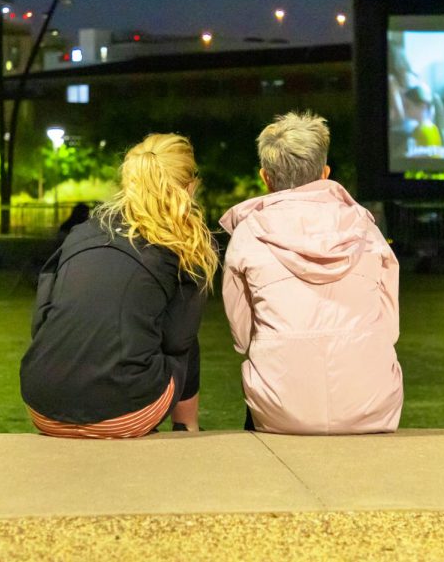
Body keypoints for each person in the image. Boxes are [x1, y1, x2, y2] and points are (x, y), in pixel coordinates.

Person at [20, 133, 218, 438]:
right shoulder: (182, 247)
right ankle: (187, 426)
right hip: (123, 413)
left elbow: (41, 321)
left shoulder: (80, 234)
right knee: (186, 336)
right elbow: (179, 341)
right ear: (189, 188)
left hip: (41, 405)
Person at [219, 112, 403, 434]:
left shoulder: (248, 234)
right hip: (369, 405)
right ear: (325, 173)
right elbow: (389, 326)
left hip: (281, 410)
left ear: (266, 177)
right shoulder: (366, 230)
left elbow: (242, 335)